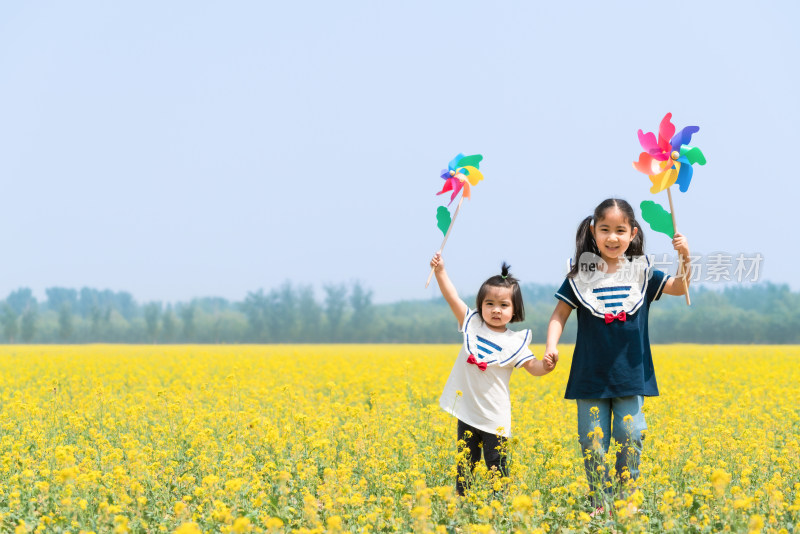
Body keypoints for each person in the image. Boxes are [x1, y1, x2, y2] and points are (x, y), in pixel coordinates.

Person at [544, 198, 691, 513]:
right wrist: (551, 345)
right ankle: (598, 500)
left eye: (620, 230)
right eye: (605, 229)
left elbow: (680, 287)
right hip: (590, 375)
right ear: (594, 231)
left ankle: (628, 500)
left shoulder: (642, 273)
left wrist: (686, 256)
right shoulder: (580, 275)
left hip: (630, 374)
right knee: (592, 441)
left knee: (631, 433)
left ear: (633, 233)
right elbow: (559, 315)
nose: (613, 237)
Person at [430, 252, 557, 496]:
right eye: (489, 304)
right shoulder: (472, 324)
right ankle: (462, 505)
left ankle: (499, 509)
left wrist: (547, 365)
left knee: (496, 466)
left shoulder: (515, 342)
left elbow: (533, 367)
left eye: (503, 305)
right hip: (467, 411)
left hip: (494, 418)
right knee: (464, 465)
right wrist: (440, 271)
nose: (495, 310)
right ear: (481, 306)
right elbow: (452, 297)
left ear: (514, 310)